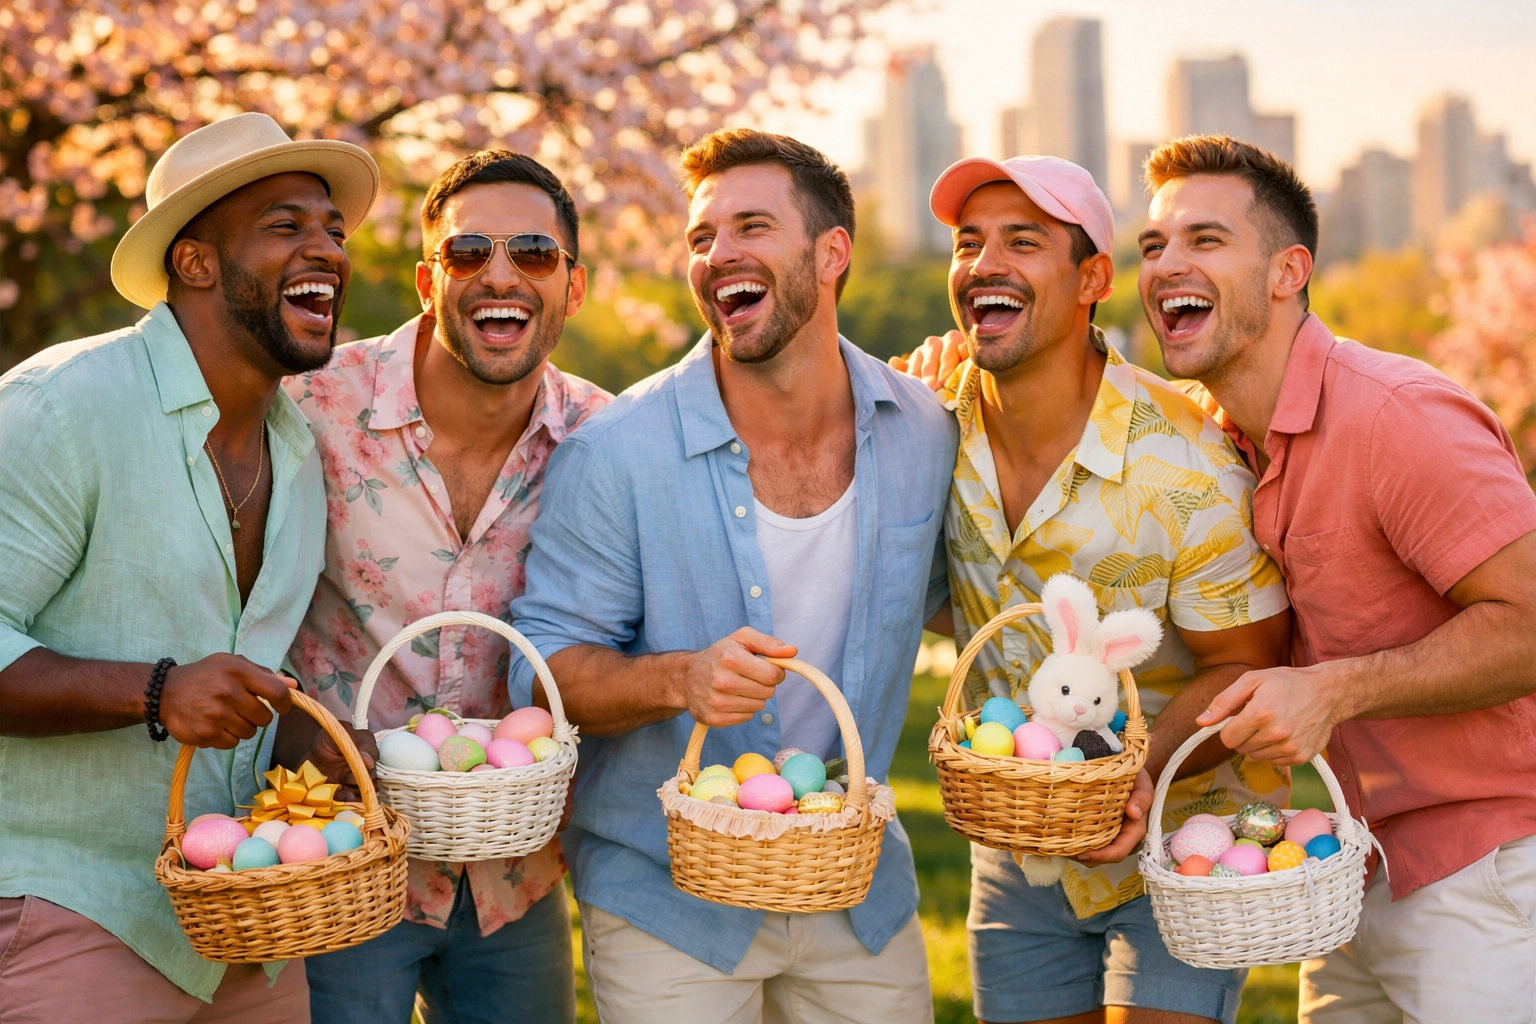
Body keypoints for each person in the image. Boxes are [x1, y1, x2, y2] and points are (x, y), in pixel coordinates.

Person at [508, 128, 957, 1023]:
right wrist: (682, 676)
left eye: (752, 226)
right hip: (669, 897)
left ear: (832, 253)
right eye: (702, 238)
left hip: (857, 891)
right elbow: (541, 670)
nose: (719, 256)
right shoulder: (616, 455)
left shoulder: (924, 430)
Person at [1134, 134, 1536, 1023]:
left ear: (1288, 272)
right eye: (1153, 245)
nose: (1166, 266)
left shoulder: (1395, 418)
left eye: (1205, 240)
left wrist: (1335, 690)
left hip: (1489, 874)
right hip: (1347, 872)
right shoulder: (1214, 440)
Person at [0, 112, 377, 1022]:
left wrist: (307, 744)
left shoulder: (298, 450)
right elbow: (177, 686)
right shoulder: (61, 409)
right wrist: (157, 690)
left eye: (332, 228)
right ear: (196, 262)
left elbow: (241, 675)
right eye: (285, 226)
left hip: (248, 928)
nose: (326, 248)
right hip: (72, 908)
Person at [897, 155, 1291, 1024]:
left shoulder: (1189, 462)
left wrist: (1112, 778)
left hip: (1183, 834)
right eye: (969, 244)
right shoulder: (926, 425)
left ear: (1093, 279)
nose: (984, 264)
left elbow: (1243, 667)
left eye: (1022, 242)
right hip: (1019, 851)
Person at [281, 150, 607, 1024]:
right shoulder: (308, 405)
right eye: (468, 254)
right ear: (430, 279)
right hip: (338, 863)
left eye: (534, 253)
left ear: (573, 288)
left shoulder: (606, 440)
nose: (499, 275)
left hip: (517, 882)